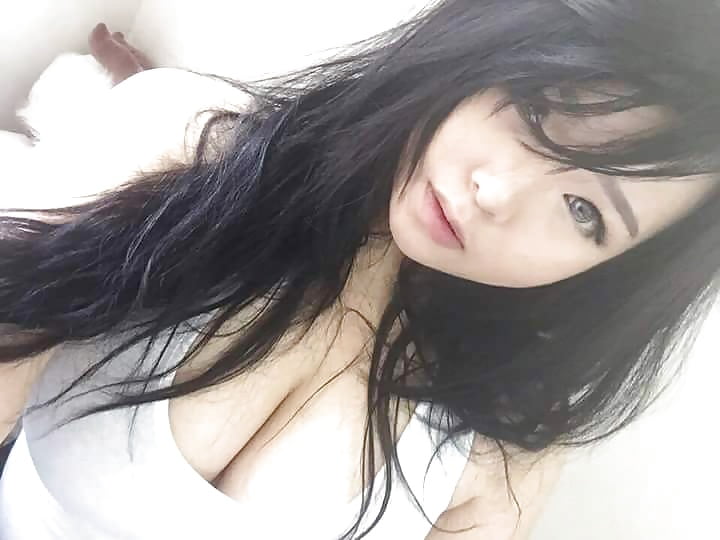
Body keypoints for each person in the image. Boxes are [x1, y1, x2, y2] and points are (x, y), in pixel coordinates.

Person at [1, 0, 720, 537]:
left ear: (618, 270)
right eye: (536, 110)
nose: (498, 193)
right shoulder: (186, 140)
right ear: (481, 46)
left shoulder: (508, 448)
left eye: (584, 211)